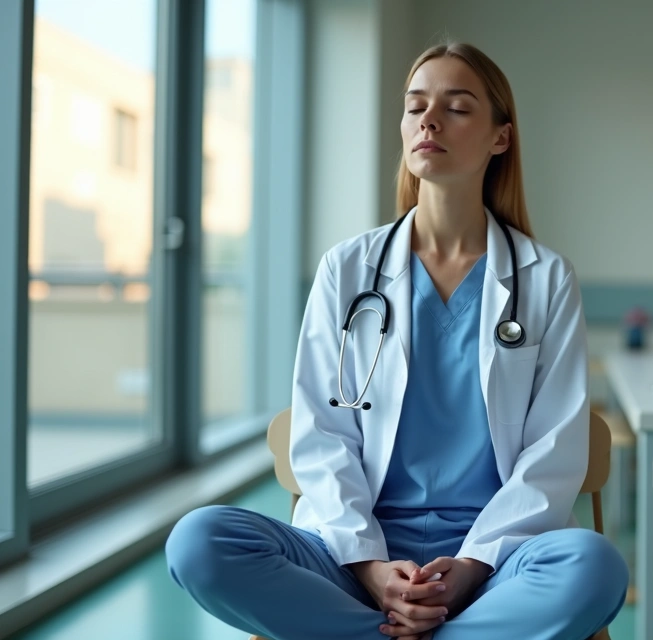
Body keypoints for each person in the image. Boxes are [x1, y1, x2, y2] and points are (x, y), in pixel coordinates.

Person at [165, 42, 629, 640]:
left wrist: (468, 568)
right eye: (415, 107)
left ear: (500, 138)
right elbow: (321, 434)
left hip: (496, 565)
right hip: (354, 556)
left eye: (457, 108)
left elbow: (554, 453)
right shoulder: (348, 269)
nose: (428, 120)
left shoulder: (544, 277)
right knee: (200, 542)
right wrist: (372, 569)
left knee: (595, 568)